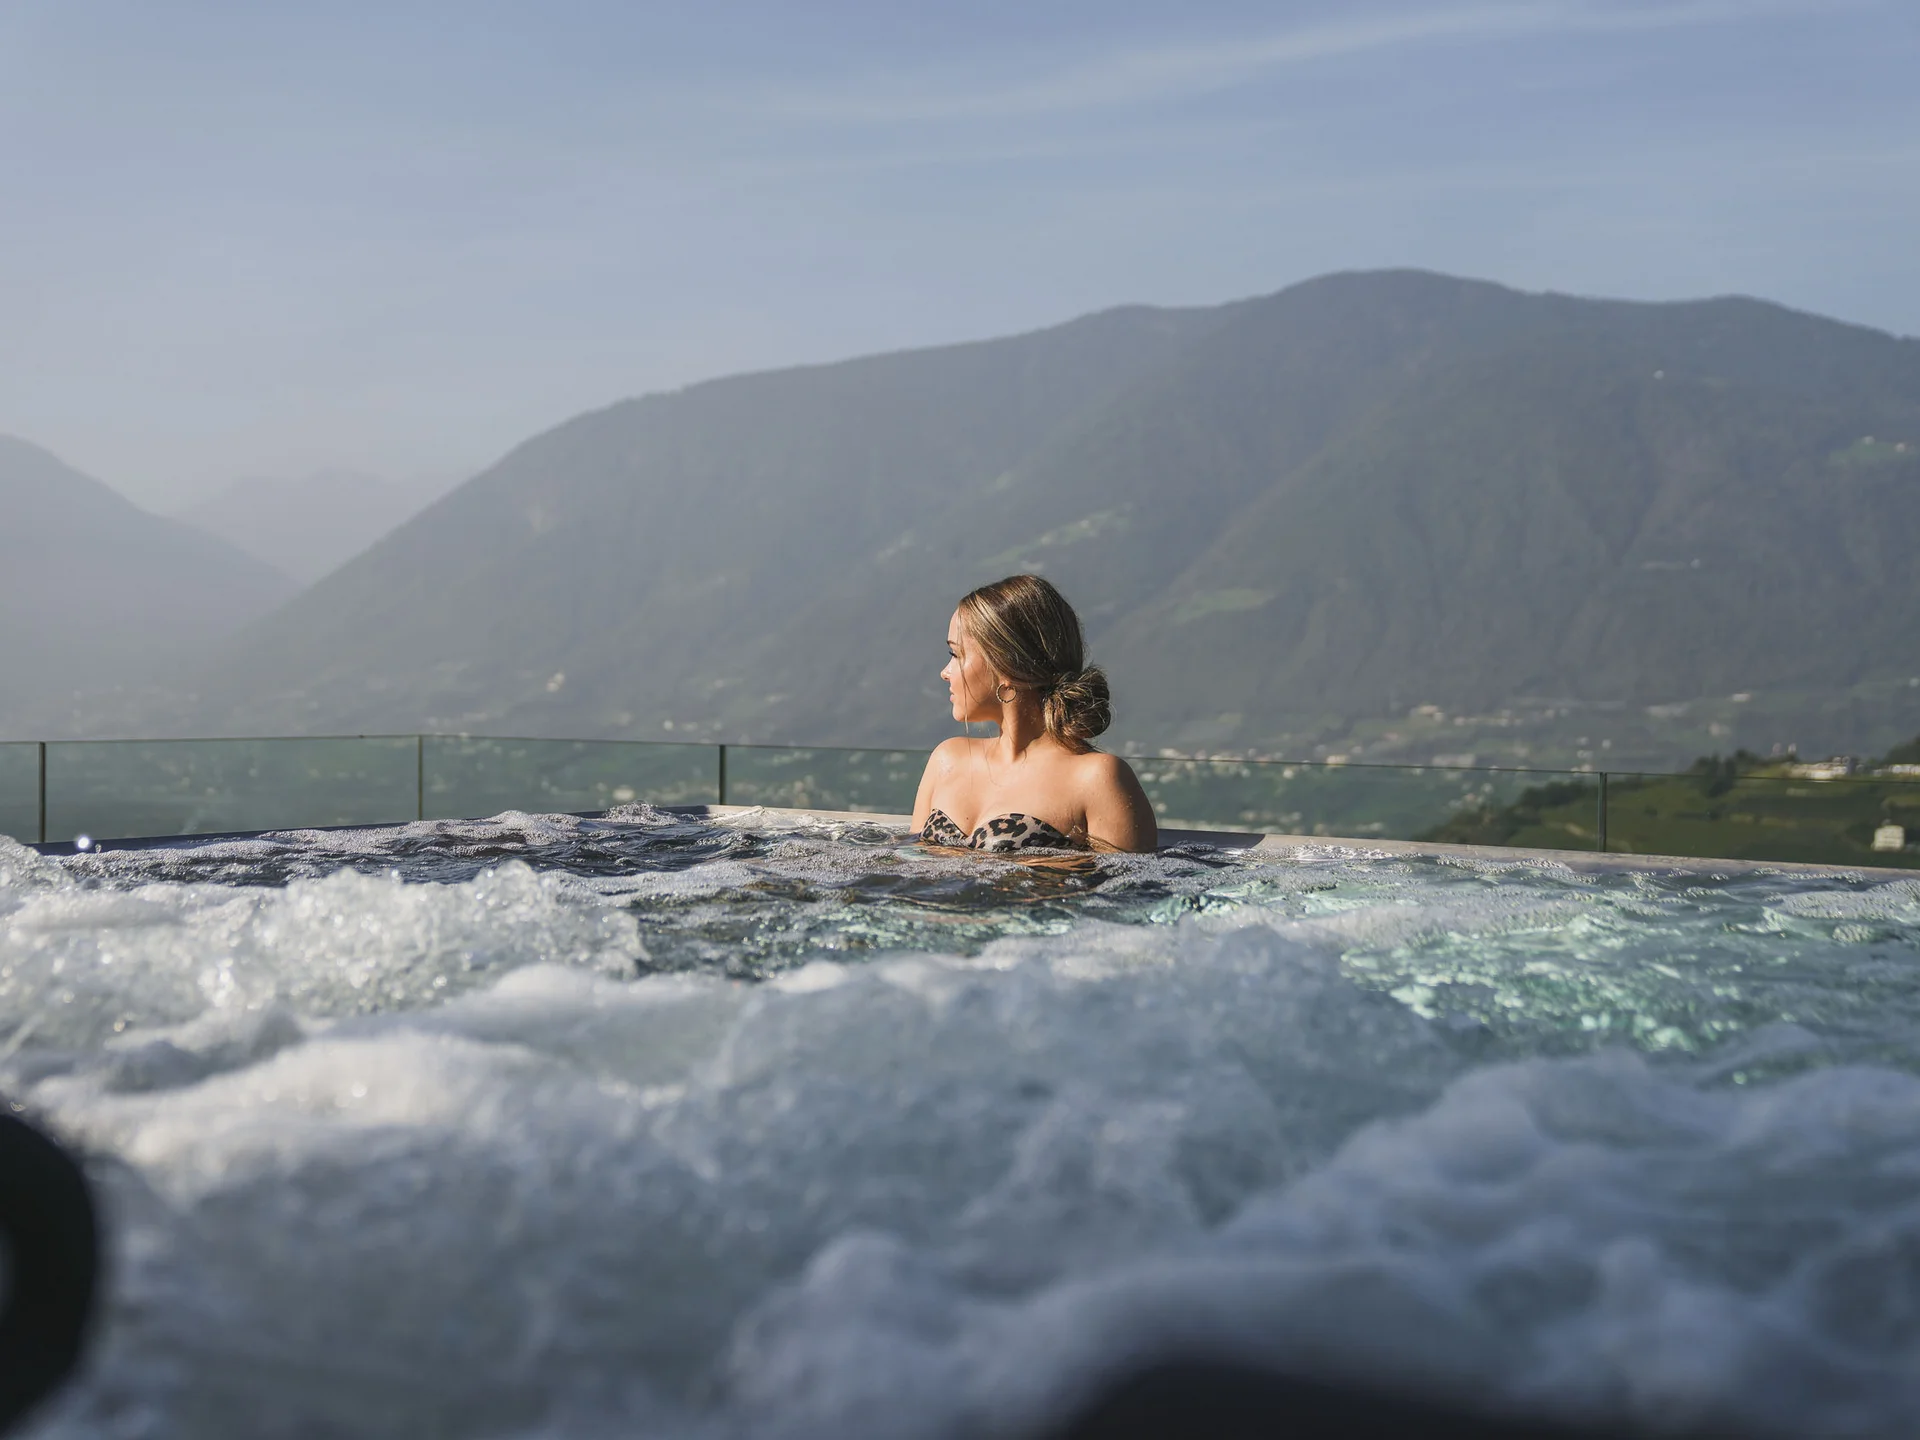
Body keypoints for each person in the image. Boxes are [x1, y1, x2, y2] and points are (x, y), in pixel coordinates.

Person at [911, 575, 1158, 853]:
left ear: (1005, 667)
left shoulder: (1097, 779)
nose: (945, 672)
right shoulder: (946, 760)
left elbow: (1133, 893)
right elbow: (905, 867)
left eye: (956, 654)